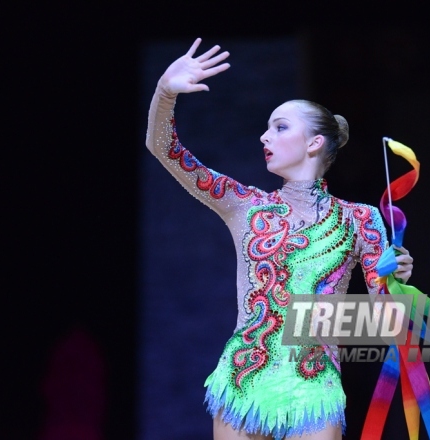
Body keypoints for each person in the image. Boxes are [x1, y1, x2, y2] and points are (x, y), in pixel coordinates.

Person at [145, 38, 414, 440]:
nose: (264, 137)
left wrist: (396, 280)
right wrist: (165, 91)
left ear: (314, 142)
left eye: (280, 127)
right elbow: (162, 147)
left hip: (313, 386)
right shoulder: (245, 206)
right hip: (243, 381)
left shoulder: (361, 219)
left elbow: (385, 322)